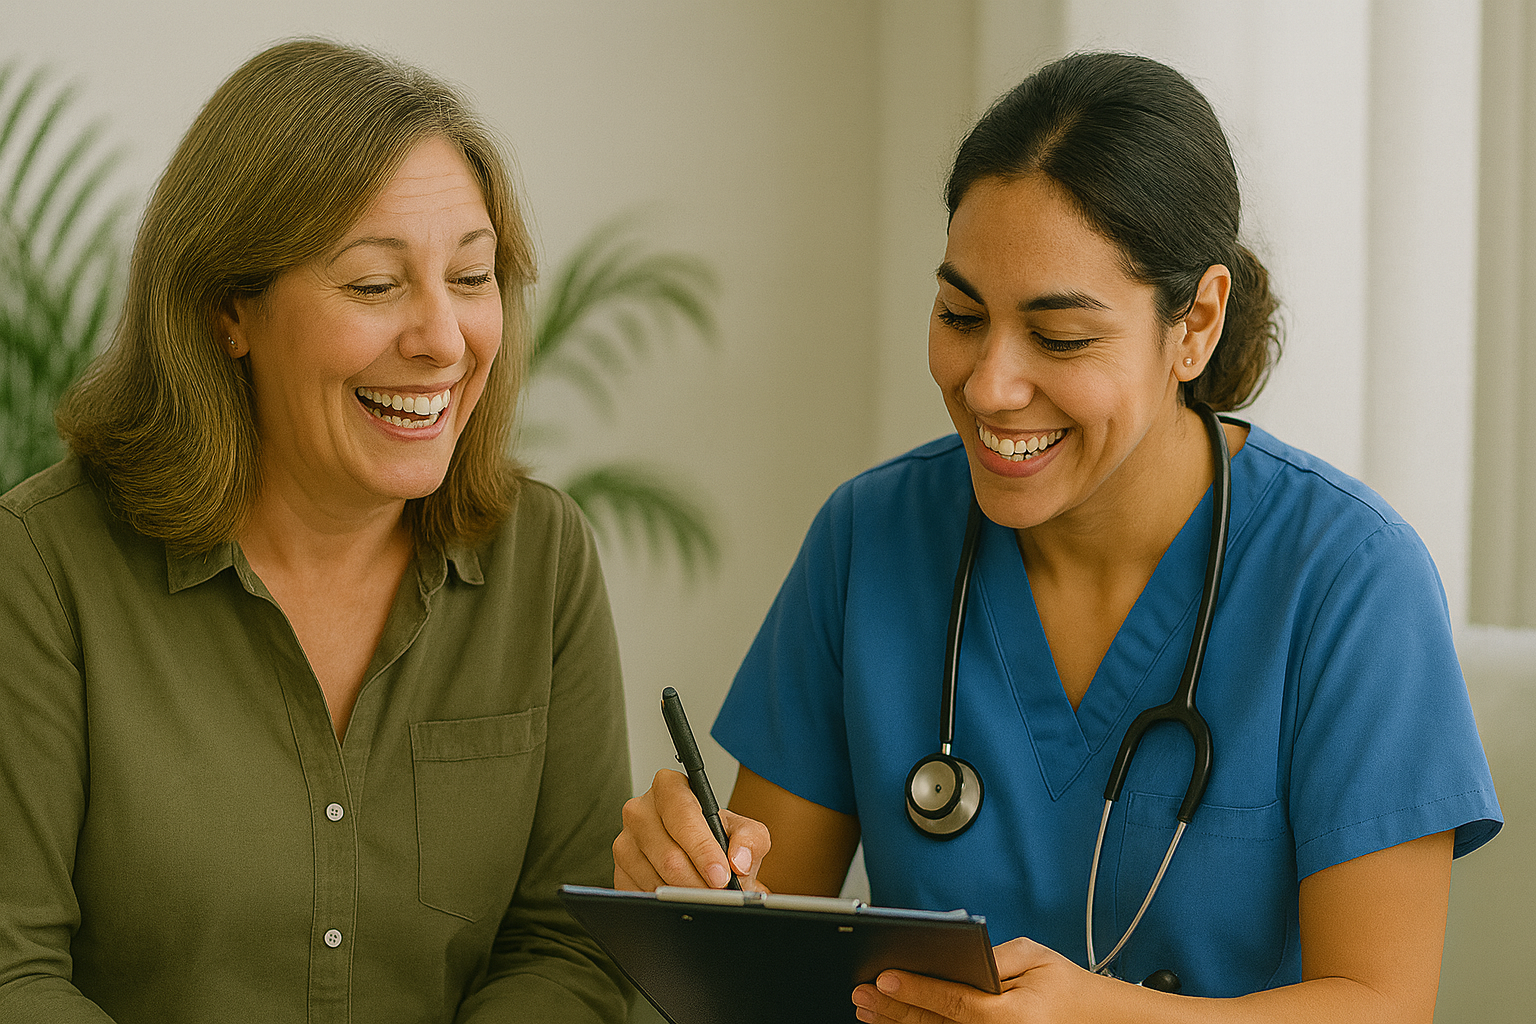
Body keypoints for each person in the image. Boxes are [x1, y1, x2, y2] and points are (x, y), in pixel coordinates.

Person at [612, 52, 1501, 1022]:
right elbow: (768, 952)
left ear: (1196, 322)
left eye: (1061, 338)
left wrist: (1100, 1016)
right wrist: (692, 891)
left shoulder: (1347, 580)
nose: (990, 384)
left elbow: (1384, 1005)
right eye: (960, 314)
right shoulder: (871, 540)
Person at [0, 40, 630, 1023]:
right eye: (375, 286)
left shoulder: (540, 558)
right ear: (226, 311)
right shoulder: (41, 565)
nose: (442, 339)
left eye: (471, 278)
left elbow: (567, 942)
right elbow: (12, 971)